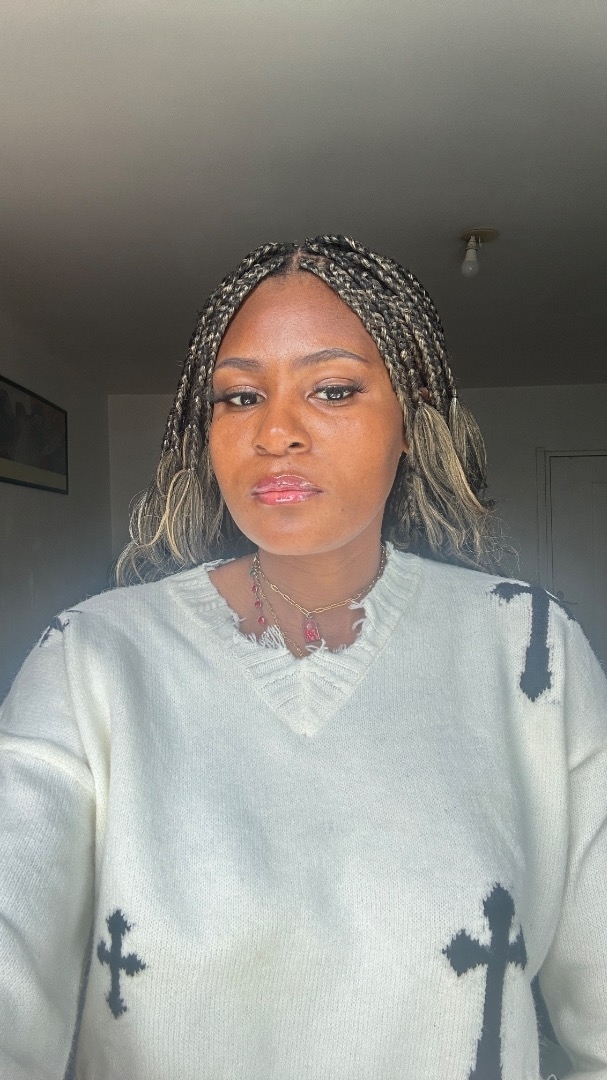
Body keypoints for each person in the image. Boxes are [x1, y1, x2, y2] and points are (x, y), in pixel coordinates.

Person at [0, 235, 605, 1080]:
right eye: (240, 397)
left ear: (411, 419)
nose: (275, 431)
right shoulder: (92, 659)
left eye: (332, 389)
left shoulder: (529, 650)